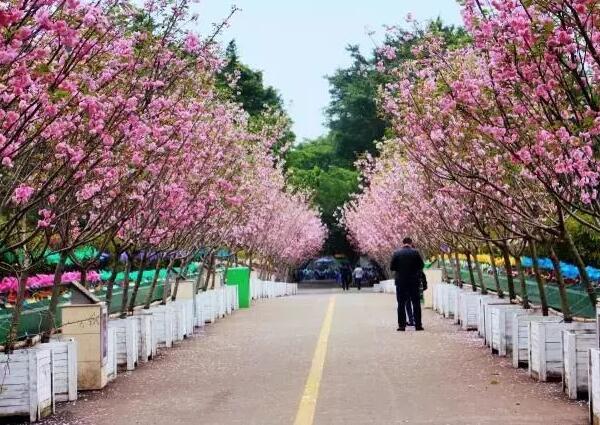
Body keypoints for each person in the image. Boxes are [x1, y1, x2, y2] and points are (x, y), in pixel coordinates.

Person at [390, 237, 425, 331]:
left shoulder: (396, 253)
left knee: (401, 303)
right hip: (413, 282)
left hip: (401, 282)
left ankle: (401, 326)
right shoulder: (415, 252)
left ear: (403, 243)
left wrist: (400, 270)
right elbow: (421, 265)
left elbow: (392, 267)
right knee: (416, 303)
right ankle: (418, 325)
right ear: (411, 243)